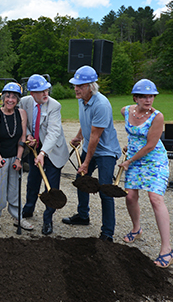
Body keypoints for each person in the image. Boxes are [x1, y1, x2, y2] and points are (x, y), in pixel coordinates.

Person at [118, 79, 173, 267]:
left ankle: (167, 249)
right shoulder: (126, 111)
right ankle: (136, 229)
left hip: (154, 160)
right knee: (130, 196)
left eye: (151, 96)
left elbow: (150, 145)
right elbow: (134, 134)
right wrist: (130, 146)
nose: (148, 100)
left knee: (155, 198)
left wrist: (128, 160)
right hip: (134, 158)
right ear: (136, 98)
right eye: (143, 96)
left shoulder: (157, 117)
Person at [62, 65, 121, 242]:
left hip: (106, 152)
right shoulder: (82, 99)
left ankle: (108, 232)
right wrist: (79, 136)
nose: (76, 88)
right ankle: (83, 216)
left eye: (80, 85)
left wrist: (86, 163)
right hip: (90, 146)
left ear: (91, 86)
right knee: (81, 180)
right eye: (75, 85)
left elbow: (95, 137)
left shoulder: (102, 104)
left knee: (105, 189)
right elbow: (86, 121)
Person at [20, 74, 69, 235]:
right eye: (41, 91)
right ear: (32, 93)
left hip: (53, 150)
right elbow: (24, 123)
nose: (46, 93)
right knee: (32, 181)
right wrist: (28, 136)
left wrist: (42, 153)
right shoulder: (25, 102)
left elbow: (53, 133)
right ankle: (28, 209)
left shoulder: (55, 106)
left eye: (47, 89)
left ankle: (48, 220)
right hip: (35, 149)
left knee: (51, 187)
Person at [0, 82, 32, 231]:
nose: (10, 100)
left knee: (15, 190)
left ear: (17, 99)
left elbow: (22, 138)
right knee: (0, 190)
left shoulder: (21, 113)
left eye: (14, 97)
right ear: (3, 97)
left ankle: (18, 217)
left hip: (15, 156)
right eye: (7, 96)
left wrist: (19, 158)